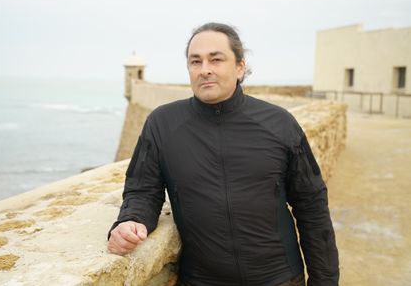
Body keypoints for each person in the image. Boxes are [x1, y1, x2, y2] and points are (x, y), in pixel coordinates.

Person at [107, 22, 339, 286]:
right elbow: (142, 190)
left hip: (279, 278)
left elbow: (312, 206)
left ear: (240, 67)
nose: (205, 69)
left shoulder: (279, 123)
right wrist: (131, 220)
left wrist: (325, 281)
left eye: (216, 59)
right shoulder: (162, 124)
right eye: (195, 61)